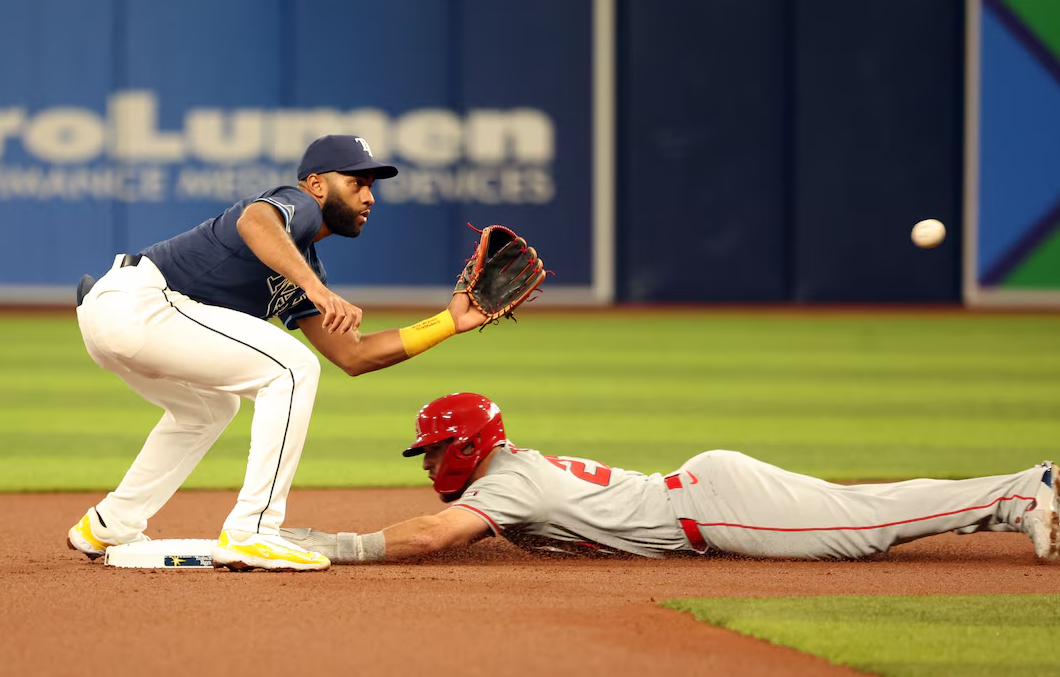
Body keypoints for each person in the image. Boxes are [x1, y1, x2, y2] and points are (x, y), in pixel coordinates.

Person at [68, 135, 491, 572]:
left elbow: (354, 355)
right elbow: (255, 222)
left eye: (371, 186)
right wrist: (315, 287)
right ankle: (253, 532)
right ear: (317, 184)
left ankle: (110, 524)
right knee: (292, 368)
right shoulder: (298, 204)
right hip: (139, 303)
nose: (369, 197)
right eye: (356, 183)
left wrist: (448, 322)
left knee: (210, 409)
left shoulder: (301, 263)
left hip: (119, 316)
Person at [281, 392, 1060, 565]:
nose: (429, 463)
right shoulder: (508, 471)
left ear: (469, 445)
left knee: (860, 528)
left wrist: (328, 545)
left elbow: (433, 535)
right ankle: (1017, 491)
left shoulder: (505, 482)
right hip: (705, 495)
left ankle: (1023, 489)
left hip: (714, 507)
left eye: (433, 449)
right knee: (863, 508)